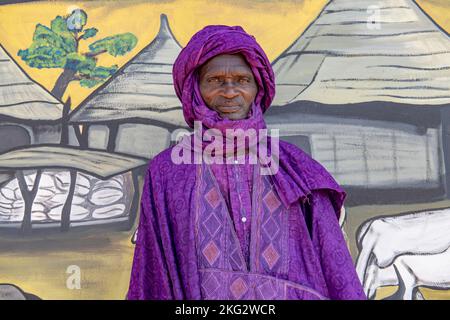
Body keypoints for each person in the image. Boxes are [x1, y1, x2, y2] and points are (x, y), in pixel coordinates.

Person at [127, 25, 367, 300]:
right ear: (195, 89)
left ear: (258, 87)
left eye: (242, 80)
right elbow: (152, 270)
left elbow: (335, 264)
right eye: (215, 80)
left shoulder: (297, 168)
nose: (229, 92)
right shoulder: (166, 173)